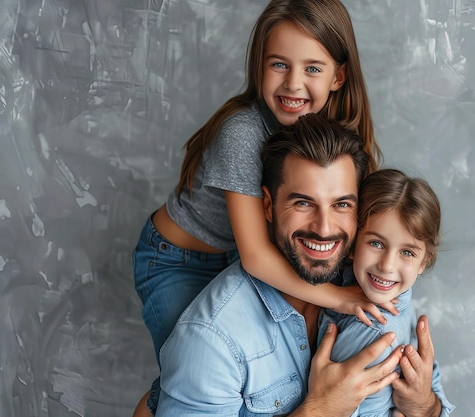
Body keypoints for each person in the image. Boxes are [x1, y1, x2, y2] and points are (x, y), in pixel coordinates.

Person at [133, 1, 394, 413]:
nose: (293, 84)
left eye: (312, 68)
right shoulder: (242, 134)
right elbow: (256, 257)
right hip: (180, 260)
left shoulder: (333, 133)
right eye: (279, 65)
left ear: (339, 75)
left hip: (243, 252)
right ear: (259, 67)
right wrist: (339, 298)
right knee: (187, 364)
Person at [155, 114, 445, 417]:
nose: (323, 228)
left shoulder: (373, 287)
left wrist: (424, 406)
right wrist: (320, 410)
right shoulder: (211, 340)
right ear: (268, 206)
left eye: (341, 204)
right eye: (303, 203)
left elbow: (431, 400)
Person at [318, 169, 456, 416]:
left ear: (424, 261)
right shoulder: (400, 297)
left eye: (407, 252)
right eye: (376, 243)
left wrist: (425, 406)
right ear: (352, 244)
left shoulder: (372, 329)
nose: (387, 266)